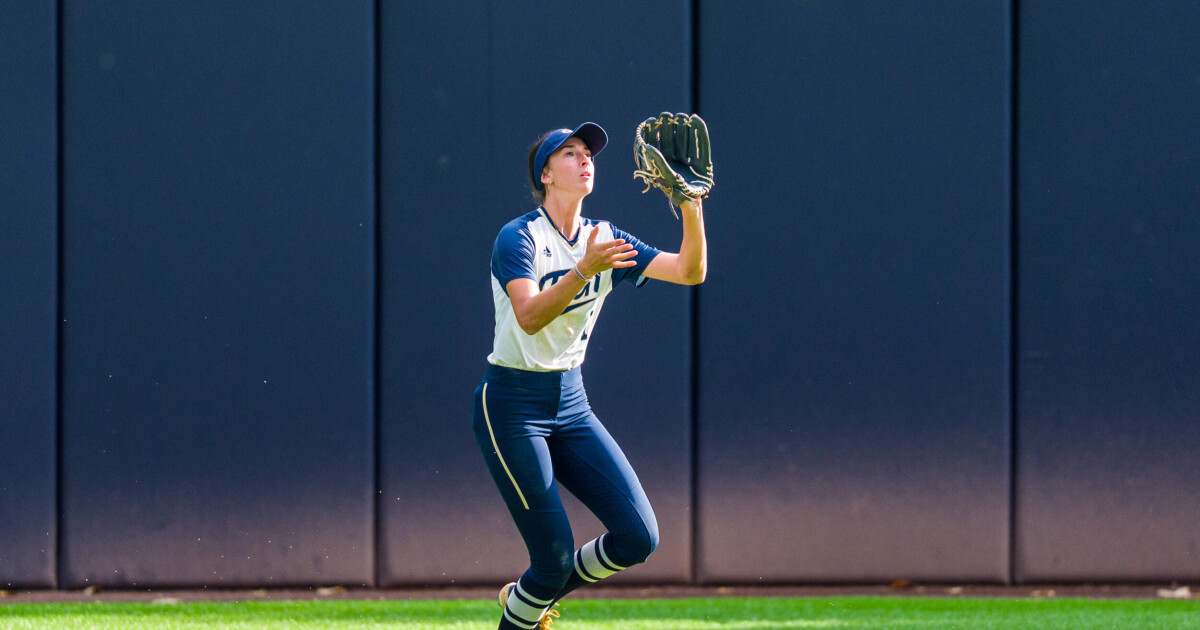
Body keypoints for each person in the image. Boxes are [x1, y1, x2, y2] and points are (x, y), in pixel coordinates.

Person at [472, 121, 706, 630]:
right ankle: (537, 593)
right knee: (552, 557)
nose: (585, 160)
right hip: (512, 404)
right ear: (546, 175)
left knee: (638, 537)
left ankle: (530, 595)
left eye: (589, 154)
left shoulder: (605, 237)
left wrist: (689, 203)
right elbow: (529, 317)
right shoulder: (519, 236)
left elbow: (690, 270)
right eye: (571, 153)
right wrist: (584, 269)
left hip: (571, 404)